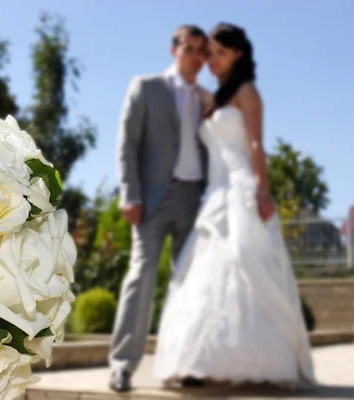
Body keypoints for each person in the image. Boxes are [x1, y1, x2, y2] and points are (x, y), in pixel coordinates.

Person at [152, 23, 317, 389]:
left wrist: (263, 191)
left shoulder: (247, 92)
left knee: (246, 262)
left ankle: (262, 361)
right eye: (209, 54)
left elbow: (256, 144)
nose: (211, 60)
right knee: (203, 275)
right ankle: (199, 362)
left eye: (219, 53)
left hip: (242, 187)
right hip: (214, 193)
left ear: (238, 54)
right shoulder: (215, 99)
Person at [109, 24, 210, 393]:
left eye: (202, 51)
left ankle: (187, 364)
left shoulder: (207, 98)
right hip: (151, 199)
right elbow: (127, 144)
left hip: (195, 200)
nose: (196, 56)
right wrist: (129, 194)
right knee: (142, 277)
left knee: (190, 286)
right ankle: (122, 365)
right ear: (174, 50)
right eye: (189, 48)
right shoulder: (147, 87)